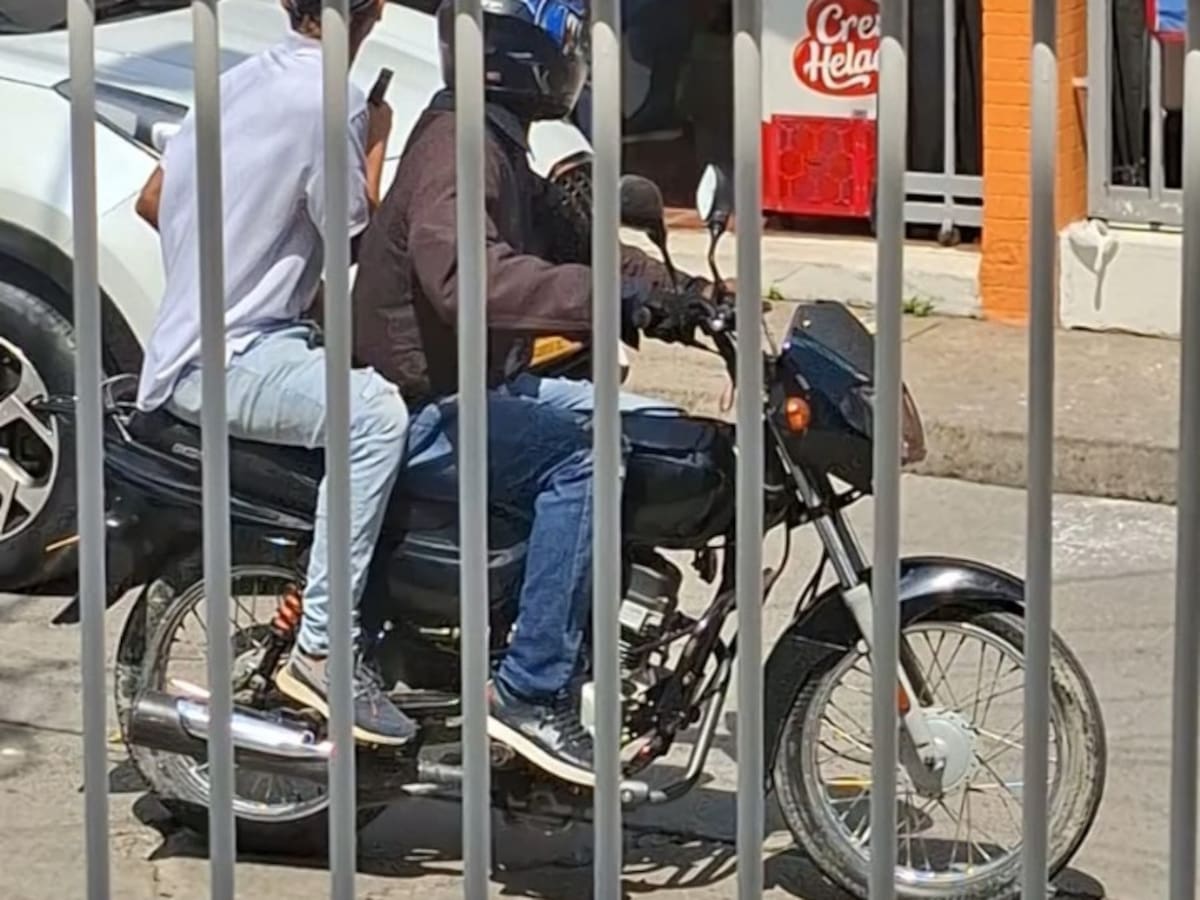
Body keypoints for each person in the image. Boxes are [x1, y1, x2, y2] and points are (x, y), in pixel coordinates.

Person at [351, 0, 696, 785]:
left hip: (475, 386)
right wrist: (609, 298)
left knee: (651, 428)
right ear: (514, 48)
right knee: (584, 458)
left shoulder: (499, 142)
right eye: (562, 37)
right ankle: (531, 691)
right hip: (419, 407)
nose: (572, 54)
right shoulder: (457, 149)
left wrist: (690, 295)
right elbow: (468, 281)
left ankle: (586, 634)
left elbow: (575, 248)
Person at [134, 0, 417, 746]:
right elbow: (356, 232)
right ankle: (322, 649)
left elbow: (152, 199)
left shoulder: (231, 84)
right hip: (234, 357)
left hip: (193, 347)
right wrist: (376, 145)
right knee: (377, 417)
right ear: (376, 13)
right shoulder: (337, 99)